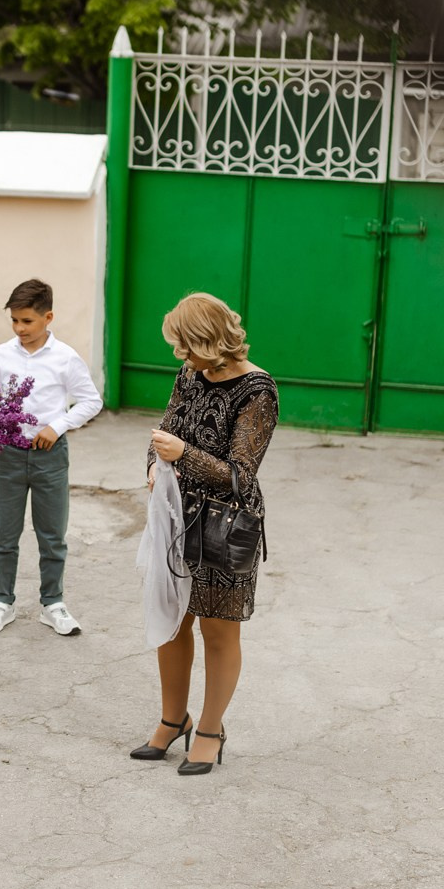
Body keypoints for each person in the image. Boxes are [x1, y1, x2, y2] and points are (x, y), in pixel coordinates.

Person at [134, 293, 278, 777]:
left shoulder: (258, 390)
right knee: (173, 622)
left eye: (186, 347)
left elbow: (241, 475)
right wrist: (155, 462)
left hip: (224, 525)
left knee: (218, 630)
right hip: (176, 519)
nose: (181, 357)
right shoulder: (191, 374)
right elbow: (165, 431)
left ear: (210, 341)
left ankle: (211, 730)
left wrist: (181, 455)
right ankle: (173, 719)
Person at [0, 278, 102, 637]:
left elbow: (91, 401)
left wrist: (58, 426)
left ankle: (53, 603)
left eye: (27, 321)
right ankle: (2, 602)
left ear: (48, 317)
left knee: (52, 535)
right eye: (14, 321)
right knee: (5, 533)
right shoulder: (2, 355)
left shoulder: (65, 358)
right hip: (10, 456)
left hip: (50, 456)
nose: (20, 329)